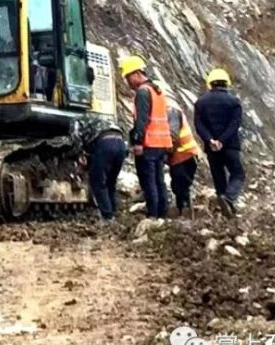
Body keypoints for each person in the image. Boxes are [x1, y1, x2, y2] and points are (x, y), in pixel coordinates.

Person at [120, 55, 172, 219]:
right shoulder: (156, 91)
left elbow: (142, 120)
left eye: (128, 77)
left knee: (149, 183)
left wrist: (137, 141)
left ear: (136, 74)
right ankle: (162, 215)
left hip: (148, 144)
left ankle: (153, 216)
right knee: (159, 181)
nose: (128, 82)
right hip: (161, 144)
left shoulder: (143, 92)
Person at [194, 68, 244, 217]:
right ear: (226, 83)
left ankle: (223, 203)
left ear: (210, 83)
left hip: (211, 148)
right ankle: (229, 198)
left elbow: (199, 125)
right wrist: (222, 140)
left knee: (218, 175)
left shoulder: (200, 102)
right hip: (230, 145)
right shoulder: (234, 102)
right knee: (237, 174)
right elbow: (235, 124)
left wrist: (211, 140)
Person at [72, 114, 128, 221]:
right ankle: (113, 212)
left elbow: (76, 139)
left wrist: (79, 155)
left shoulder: (75, 121)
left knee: (98, 182)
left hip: (105, 143)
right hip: (121, 143)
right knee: (110, 182)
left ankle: (107, 216)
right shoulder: (98, 118)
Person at [166, 99, 199, 218]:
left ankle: (185, 212)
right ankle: (184, 211)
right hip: (181, 156)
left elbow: (172, 136)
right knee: (179, 185)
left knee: (181, 185)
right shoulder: (168, 110)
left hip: (185, 154)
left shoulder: (170, 110)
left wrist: (164, 153)